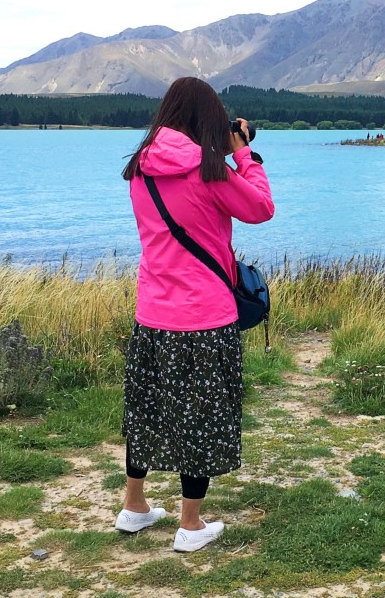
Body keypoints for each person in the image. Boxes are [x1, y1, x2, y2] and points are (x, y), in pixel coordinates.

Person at [117, 77, 274, 552]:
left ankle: (134, 506)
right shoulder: (213, 171)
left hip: (152, 313)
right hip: (205, 317)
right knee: (201, 417)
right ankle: (190, 525)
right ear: (208, 119)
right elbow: (261, 208)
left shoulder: (139, 168)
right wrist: (244, 154)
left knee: (147, 410)